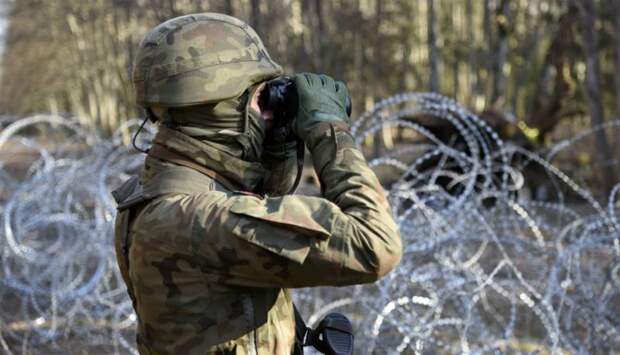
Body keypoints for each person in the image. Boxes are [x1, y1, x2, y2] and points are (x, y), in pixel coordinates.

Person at [112, 12, 402, 355]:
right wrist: (329, 131)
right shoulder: (198, 218)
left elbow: (260, 202)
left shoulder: (162, 186)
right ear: (222, 108)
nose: (269, 109)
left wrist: (275, 141)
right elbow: (374, 245)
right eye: (260, 97)